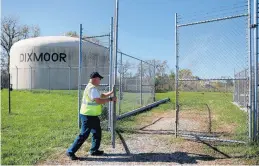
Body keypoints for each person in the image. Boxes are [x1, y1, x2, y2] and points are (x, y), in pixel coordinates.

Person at [66, 72, 117, 160]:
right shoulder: (92, 88)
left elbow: (101, 95)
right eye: (99, 79)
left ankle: (94, 150)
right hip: (87, 115)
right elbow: (98, 101)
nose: (100, 81)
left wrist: (111, 92)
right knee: (84, 134)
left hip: (92, 115)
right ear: (94, 78)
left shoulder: (92, 87)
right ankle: (70, 151)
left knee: (97, 132)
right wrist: (111, 99)